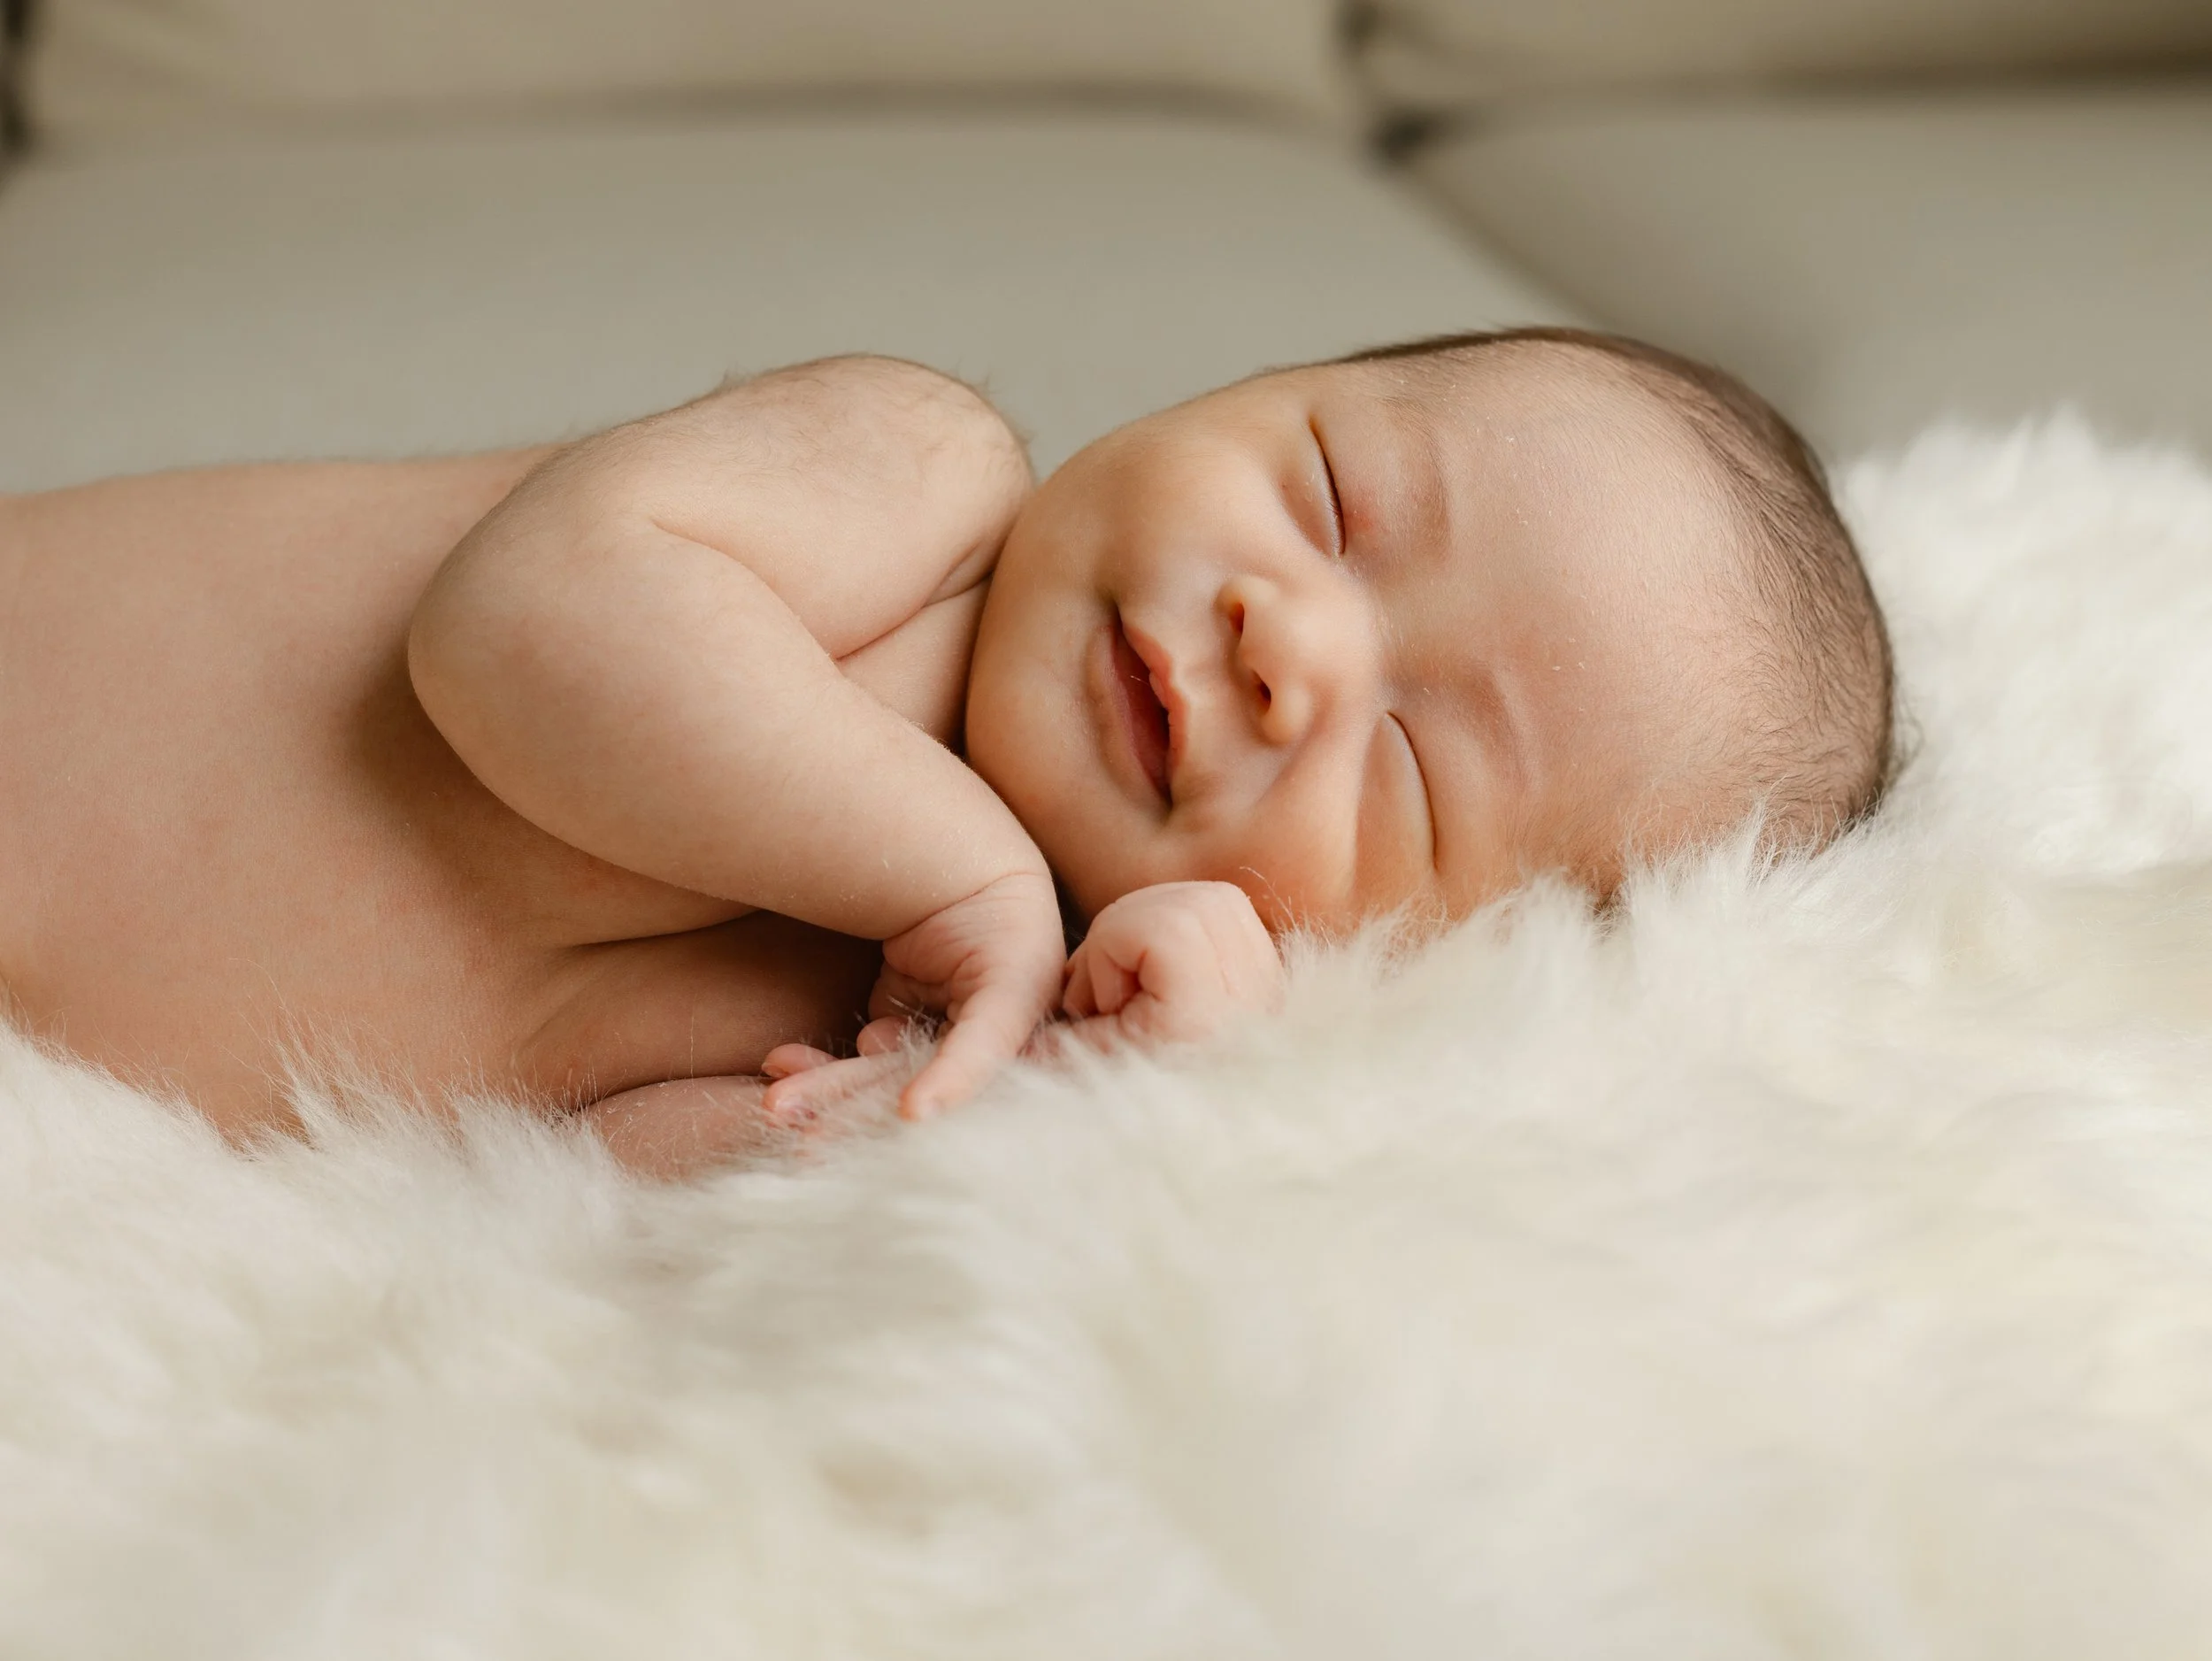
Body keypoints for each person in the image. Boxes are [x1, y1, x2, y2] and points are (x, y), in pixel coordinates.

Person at [0, 328, 1891, 1177]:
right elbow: (530, 627)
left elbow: (582, 1185)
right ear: (1233, 382)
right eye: (1329, 495)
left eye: (1399, 768)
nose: (1290, 643)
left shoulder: (911, 991)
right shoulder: (915, 471)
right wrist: (962, 880)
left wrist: (1020, 1096)